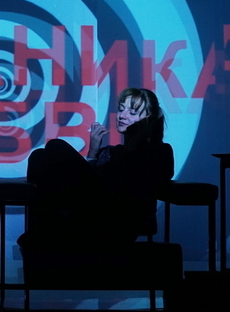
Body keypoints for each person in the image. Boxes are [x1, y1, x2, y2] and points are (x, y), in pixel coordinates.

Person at [18, 88, 174, 249]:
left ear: (149, 119)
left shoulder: (158, 151)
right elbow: (88, 184)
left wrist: (140, 137)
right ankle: (49, 226)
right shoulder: (111, 152)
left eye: (132, 112)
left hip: (118, 220)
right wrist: (93, 152)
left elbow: (120, 183)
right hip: (89, 213)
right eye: (121, 109)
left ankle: (45, 228)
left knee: (55, 146)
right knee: (38, 156)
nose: (122, 115)